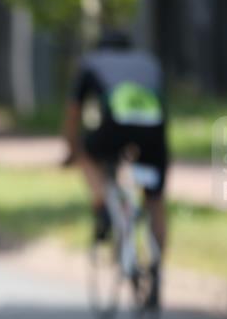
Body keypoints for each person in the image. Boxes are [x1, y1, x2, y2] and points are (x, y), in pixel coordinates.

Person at [62, 29, 169, 305]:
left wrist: (72, 151)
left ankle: (101, 202)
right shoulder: (149, 61)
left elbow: (73, 114)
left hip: (114, 127)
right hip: (154, 132)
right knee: (155, 201)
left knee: (86, 152)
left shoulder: (91, 62)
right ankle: (156, 268)